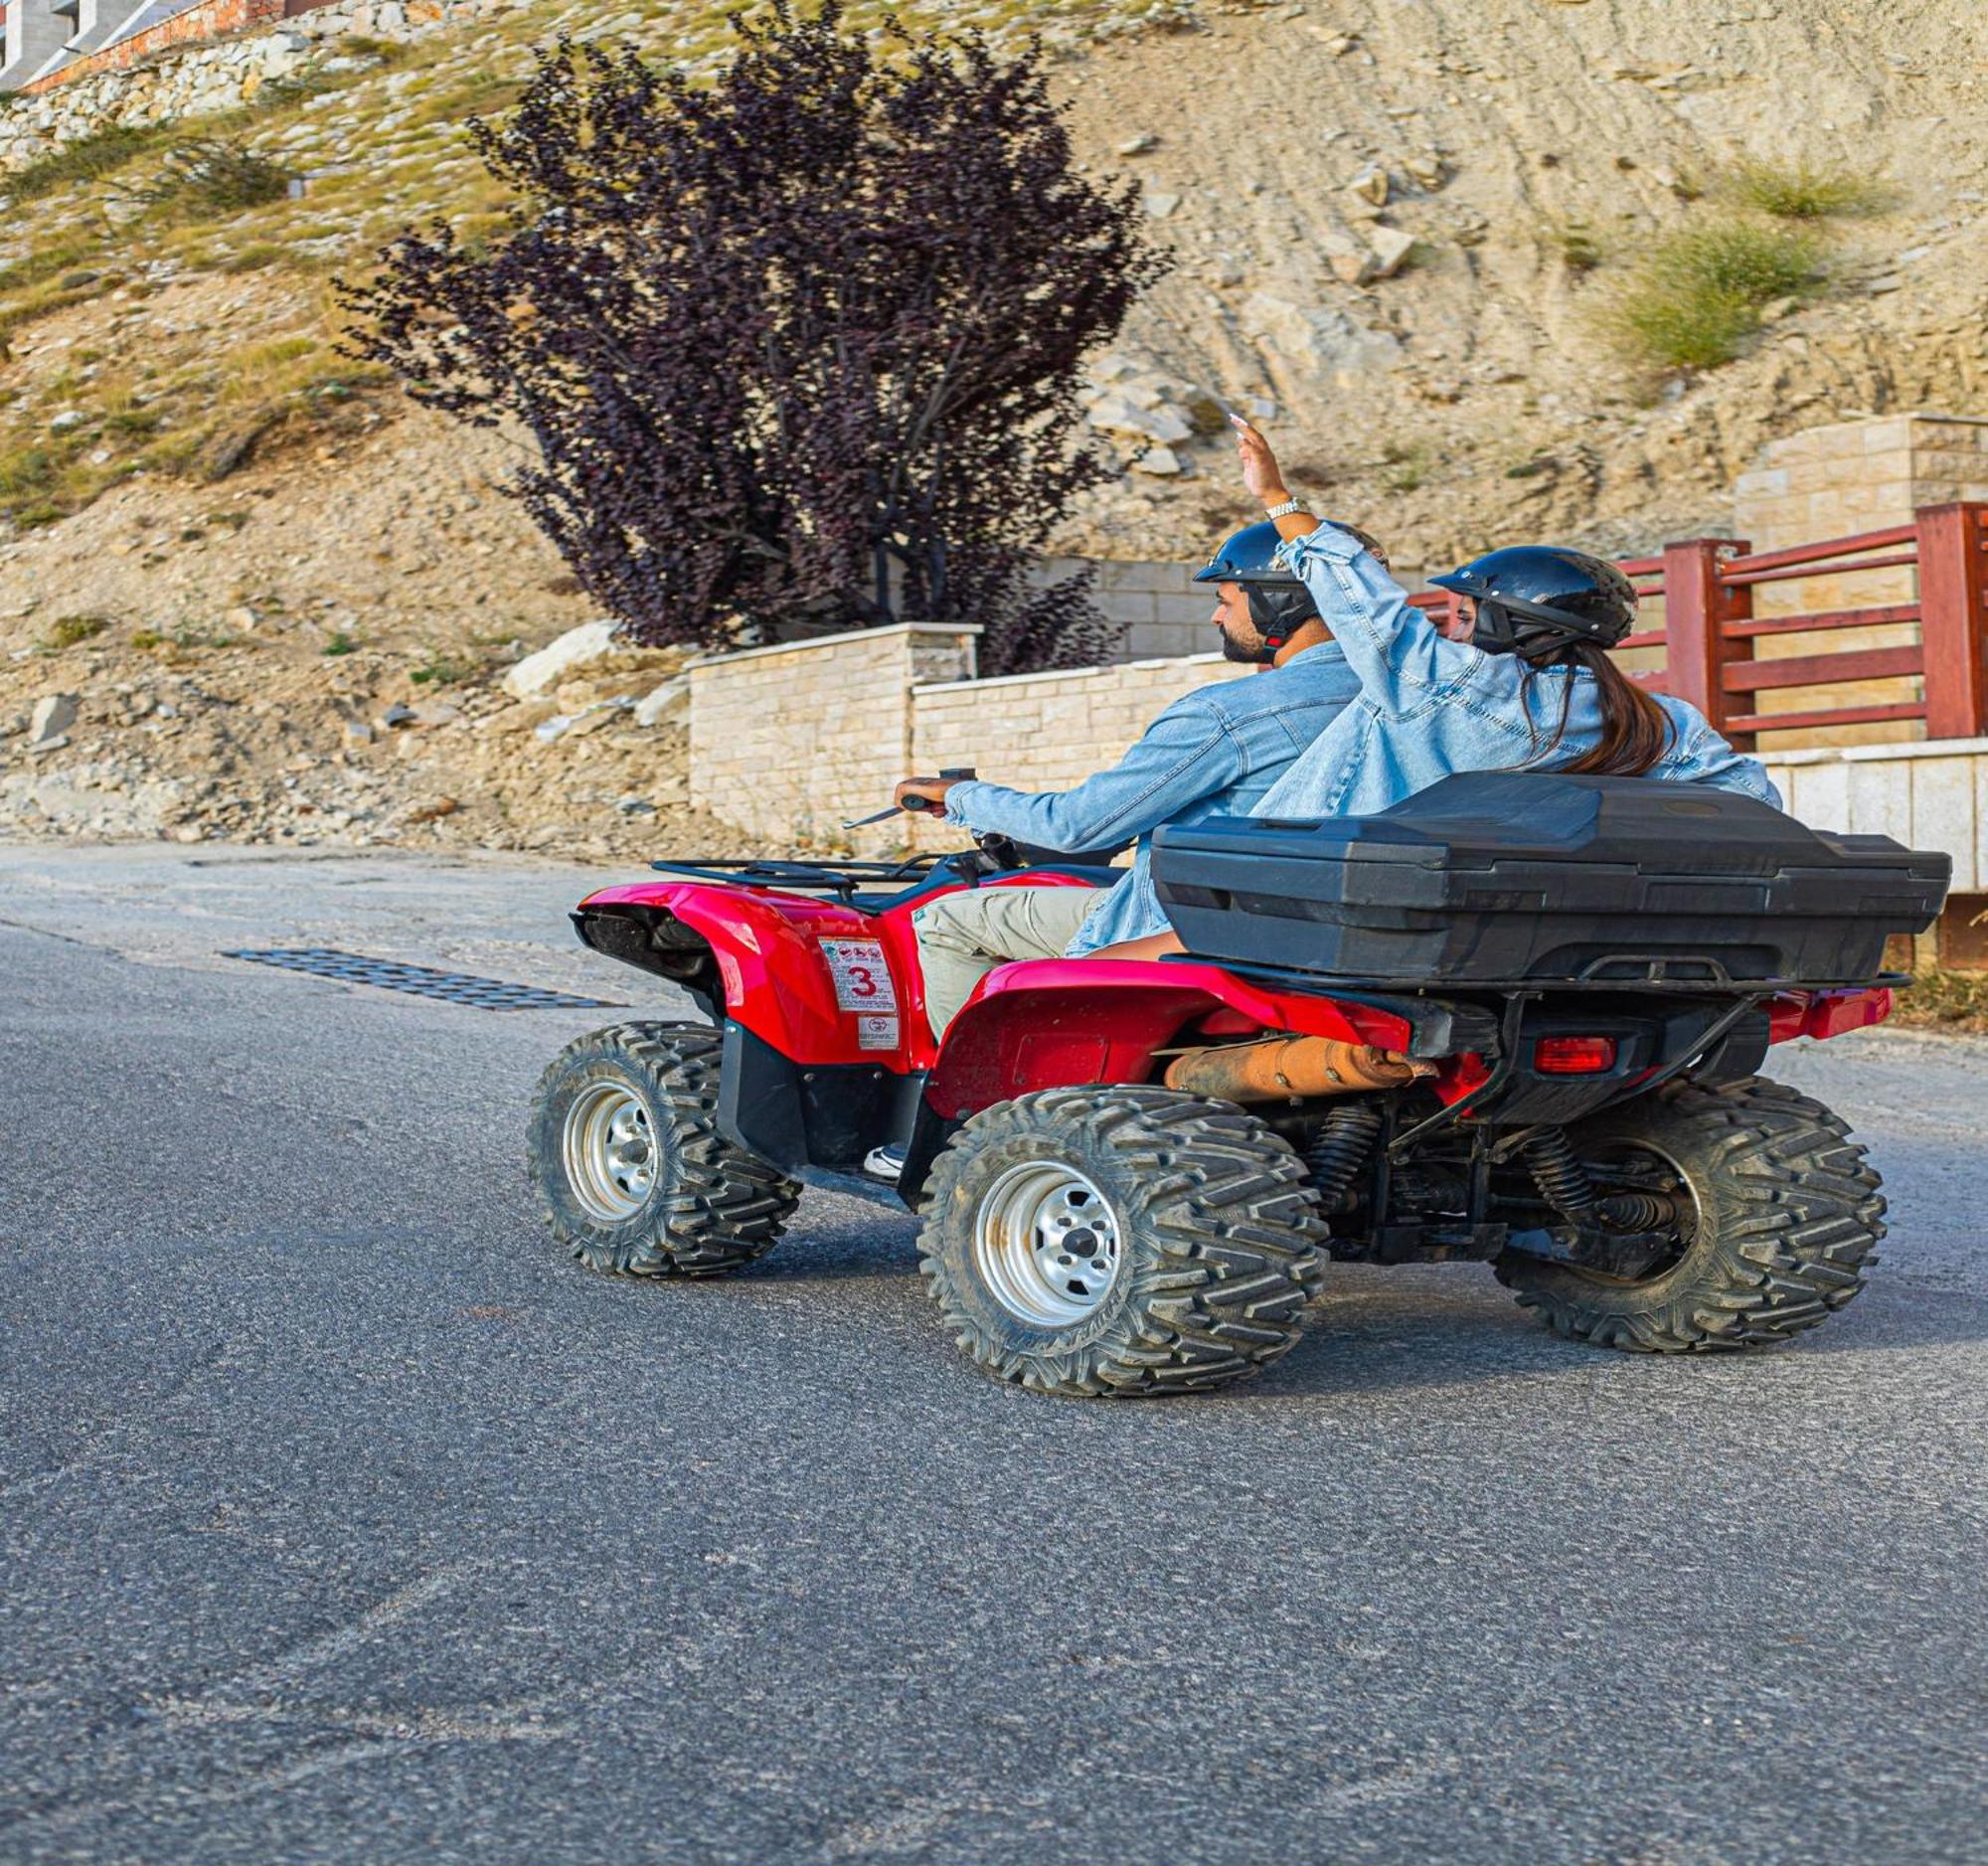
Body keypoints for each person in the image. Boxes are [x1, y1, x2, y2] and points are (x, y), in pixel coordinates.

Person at [893, 514, 1395, 1044]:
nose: (1214, 616)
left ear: (1281, 601)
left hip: (1192, 927)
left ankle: (983, 1108)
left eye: (1226, 598)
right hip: (1330, 926)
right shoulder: (1420, 705)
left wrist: (961, 796)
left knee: (946, 920)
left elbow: (1076, 826)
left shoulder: (1229, 714)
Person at [1229, 417, 1781, 818]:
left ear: (1509, 626)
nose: (1452, 633)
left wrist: (1278, 499)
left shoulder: (1455, 689)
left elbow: (1367, 605)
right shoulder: (1663, 722)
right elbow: (1756, 805)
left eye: (1465, 616)